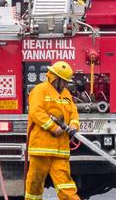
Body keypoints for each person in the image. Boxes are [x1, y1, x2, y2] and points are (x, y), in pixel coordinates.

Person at [25, 61, 80, 200]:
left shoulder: (66, 94)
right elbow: (36, 112)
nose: (66, 85)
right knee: (34, 186)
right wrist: (53, 127)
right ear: (56, 79)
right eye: (65, 82)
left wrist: (74, 125)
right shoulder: (39, 90)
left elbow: (73, 112)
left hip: (60, 151)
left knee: (66, 187)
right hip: (41, 149)